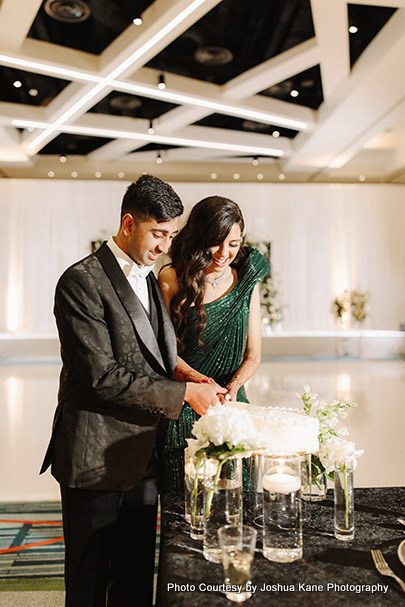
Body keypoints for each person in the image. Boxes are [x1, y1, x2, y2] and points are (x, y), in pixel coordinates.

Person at [40, 175, 225, 607]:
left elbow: (156, 354)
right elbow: (103, 376)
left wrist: (191, 379)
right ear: (128, 223)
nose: (165, 245)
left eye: (172, 235)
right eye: (158, 233)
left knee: (136, 577)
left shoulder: (149, 276)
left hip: (144, 454)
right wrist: (182, 399)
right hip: (95, 458)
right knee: (89, 583)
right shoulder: (80, 282)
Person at [158, 195, 270, 492]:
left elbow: (253, 354)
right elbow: (163, 350)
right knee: (187, 504)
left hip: (232, 406)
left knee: (239, 501)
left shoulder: (247, 280)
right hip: (185, 403)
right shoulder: (171, 278)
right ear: (199, 237)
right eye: (216, 242)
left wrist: (232, 388)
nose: (224, 253)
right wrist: (201, 382)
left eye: (233, 244)